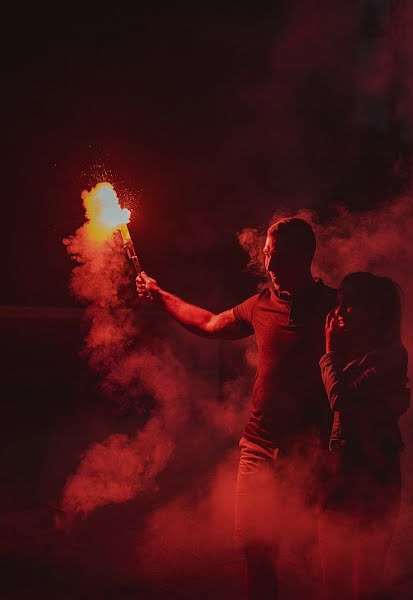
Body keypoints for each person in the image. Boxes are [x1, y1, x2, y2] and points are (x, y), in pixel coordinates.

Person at [136, 217, 336, 600]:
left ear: (306, 256)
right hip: (258, 449)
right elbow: (210, 323)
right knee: (256, 549)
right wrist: (162, 296)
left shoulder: (333, 306)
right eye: (267, 256)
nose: (271, 267)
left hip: (309, 452)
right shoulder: (260, 305)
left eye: (280, 258)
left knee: (312, 553)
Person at [317, 272, 409, 600]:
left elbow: (341, 400)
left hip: (374, 469)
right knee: (333, 572)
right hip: (344, 468)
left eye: (351, 306)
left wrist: (329, 353)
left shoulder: (389, 356)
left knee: (365, 576)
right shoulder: (353, 354)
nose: (340, 312)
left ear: (375, 312)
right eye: (340, 304)